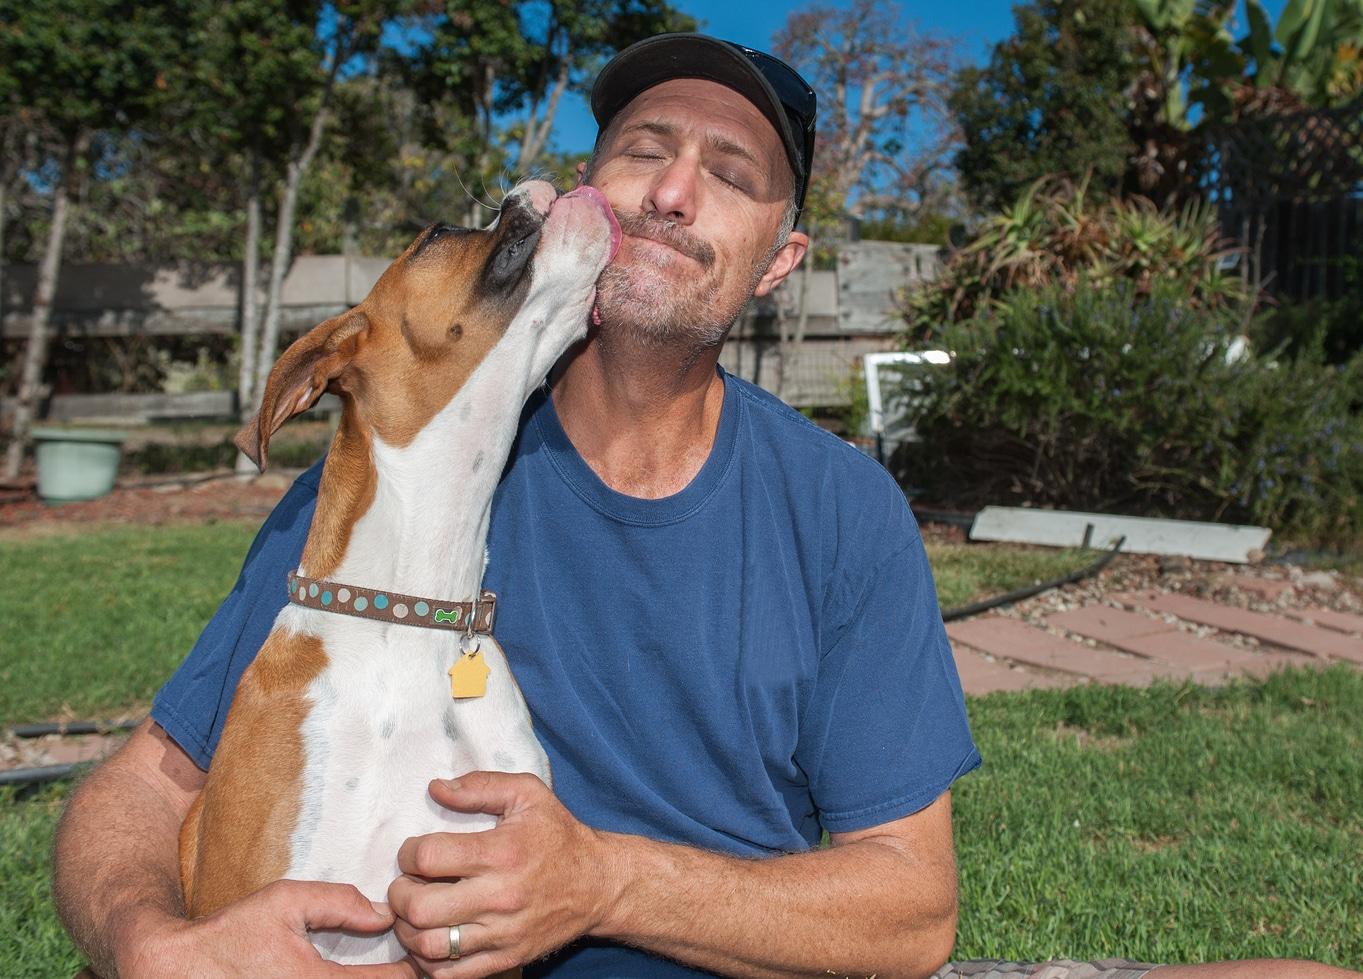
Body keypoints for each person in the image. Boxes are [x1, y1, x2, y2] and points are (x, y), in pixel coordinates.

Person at [51, 34, 1359, 979]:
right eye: (643, 150)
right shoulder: (394, 481)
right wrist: (154, 942)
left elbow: (911, 916)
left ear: (781, 261)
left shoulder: (842, 508)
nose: (673, 192)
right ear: (589, 195)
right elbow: (150, 781)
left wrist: (605, 882)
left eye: (731, 173)